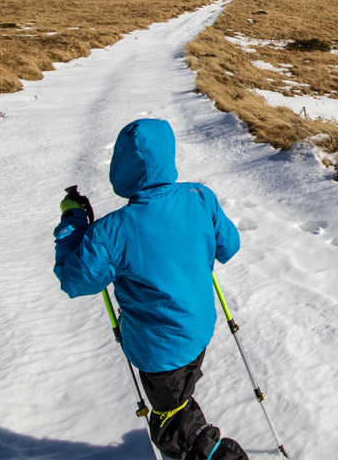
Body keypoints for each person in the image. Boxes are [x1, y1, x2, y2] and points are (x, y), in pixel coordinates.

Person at [53, 117, 249, 460]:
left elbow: (73, 279)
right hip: (199, 329)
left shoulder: (112, 231)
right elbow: (228, 247)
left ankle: (214, 452)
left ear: (121, 166)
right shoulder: (200, 196)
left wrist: (73, 223)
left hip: (158, 351)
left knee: (172, 424)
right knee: (180, 394)